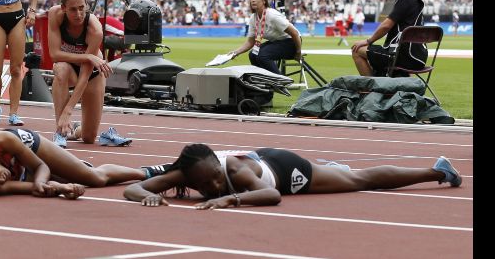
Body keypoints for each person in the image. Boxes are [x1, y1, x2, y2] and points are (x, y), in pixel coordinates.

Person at [123, 143, 462, 209]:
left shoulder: (234, 172)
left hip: (285, 171)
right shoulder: (188, 170)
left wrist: (232, 197)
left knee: (361, 180)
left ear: (217, 166)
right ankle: (332, 169)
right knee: (344, 174)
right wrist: (148, 196)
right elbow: (134, 188)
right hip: (264, 159)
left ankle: (438, 170)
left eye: (214, 179)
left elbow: (273, 197)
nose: (211, 187)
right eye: (205, 185)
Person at [0, 128, 169, 197]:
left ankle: (148, 172)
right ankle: (70, 172)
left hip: (29, 148)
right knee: (67, 180)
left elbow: (41, 167)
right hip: (20, 168)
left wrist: (44, 180)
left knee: (94, 178)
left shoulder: (0, 140)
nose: (0, 179)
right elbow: (32, 188)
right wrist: (60, 188)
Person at [47, 0, 131, 148]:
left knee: (89, 138)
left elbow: (84, 77)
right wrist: (88, 56)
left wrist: (68, 111)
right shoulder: (55, 15)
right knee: (61, 69)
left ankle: (77, 129)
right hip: (68, 66)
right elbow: (55, 55)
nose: (78, 14)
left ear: (87, 6)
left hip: (91, 73)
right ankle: (60, 132)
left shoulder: (95, 30)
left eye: (81, 8)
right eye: (72, 9)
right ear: (63, 8)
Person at [351, 0, 427, 77]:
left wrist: (368, 41)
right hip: (418, 58)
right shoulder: (414, 1)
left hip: (403, 57)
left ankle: (373, 88)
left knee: (356, 50)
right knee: (377, 54)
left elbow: (386, 26)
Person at [226, 0, 302, 75]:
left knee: (263, 55)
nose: (253, 0)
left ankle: (280, 81)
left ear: (264, 1)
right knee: (253, 54)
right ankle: (263, 81)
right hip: (276, 42)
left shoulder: (272, 15)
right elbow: (250, 42)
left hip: (292, 43)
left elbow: (295, 33)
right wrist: (235, 53)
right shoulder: (253, 18)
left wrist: (298, 52)